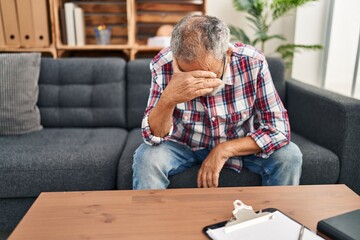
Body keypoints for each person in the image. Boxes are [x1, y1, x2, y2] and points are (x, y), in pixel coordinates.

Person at [132, 15, 302, 190]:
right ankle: (150, 218)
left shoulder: (252, 62)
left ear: (227, 54)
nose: (199, 83)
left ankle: (277, 216)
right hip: (184, 145)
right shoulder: (163, 65)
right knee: (146, 158)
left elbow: (279, 129)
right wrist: (169, 98)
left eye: (208, 74)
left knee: (289, 155)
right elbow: (152, 137)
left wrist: (223, 150)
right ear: (175, 57)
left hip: (239, 141)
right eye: (189, 74)